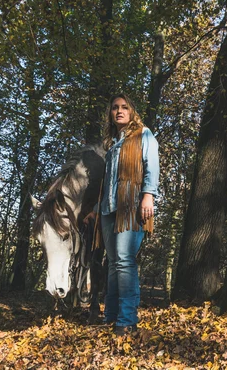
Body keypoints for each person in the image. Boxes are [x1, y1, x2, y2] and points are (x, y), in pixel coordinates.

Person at [89, 93, 159, 335]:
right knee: (112, 263)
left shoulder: (144, 134)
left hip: (131, 206)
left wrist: (148, 195)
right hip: (108, 209)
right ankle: (111, 316)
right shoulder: (112, 146)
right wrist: (96, 210)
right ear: (111, 113)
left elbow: (152, 165)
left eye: (124, 107)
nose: (119, 111)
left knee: (124, 260)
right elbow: (108, 183)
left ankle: (127, 319)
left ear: (131, 112)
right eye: (115, 107)